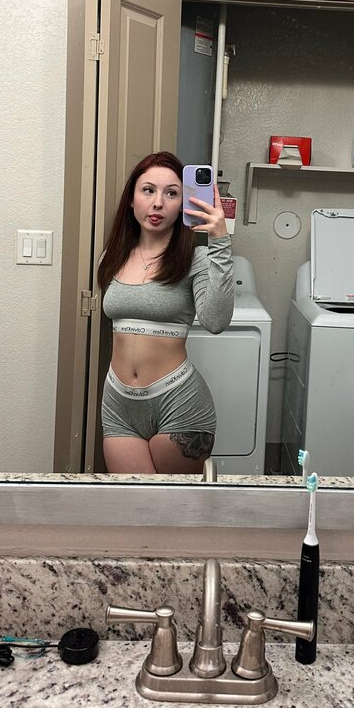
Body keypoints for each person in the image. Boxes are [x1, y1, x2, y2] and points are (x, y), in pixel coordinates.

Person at [97, 151, 233, 474]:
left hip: (179, 403)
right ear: (132, 200)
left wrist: (220, 241)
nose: (158, 203)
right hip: (119, 404)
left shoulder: (196, 260)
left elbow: (215, 321)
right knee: (132, 501)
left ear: (183, 203)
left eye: (171, 193)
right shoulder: (111, 257)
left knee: (170, 502)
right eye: (148, 190)